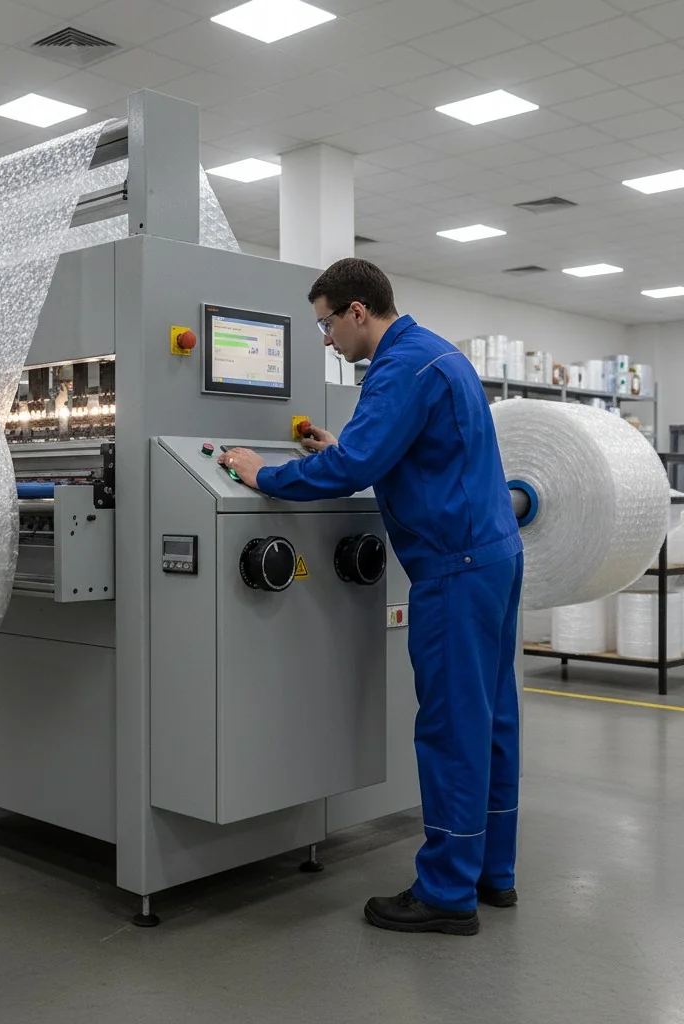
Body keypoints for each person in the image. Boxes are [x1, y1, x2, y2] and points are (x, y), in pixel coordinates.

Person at [219, 259, 523, 937]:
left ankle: (446, 892)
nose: (327, 338)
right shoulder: (436, 354)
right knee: (491, 717)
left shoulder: (397, 368)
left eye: (327, 323)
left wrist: (262, 473)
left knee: (451, 727)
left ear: (358, 311)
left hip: (454, 568)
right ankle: (491, 872)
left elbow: (355, 468)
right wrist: (342, 447)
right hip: (493, 557)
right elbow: (402, 454)